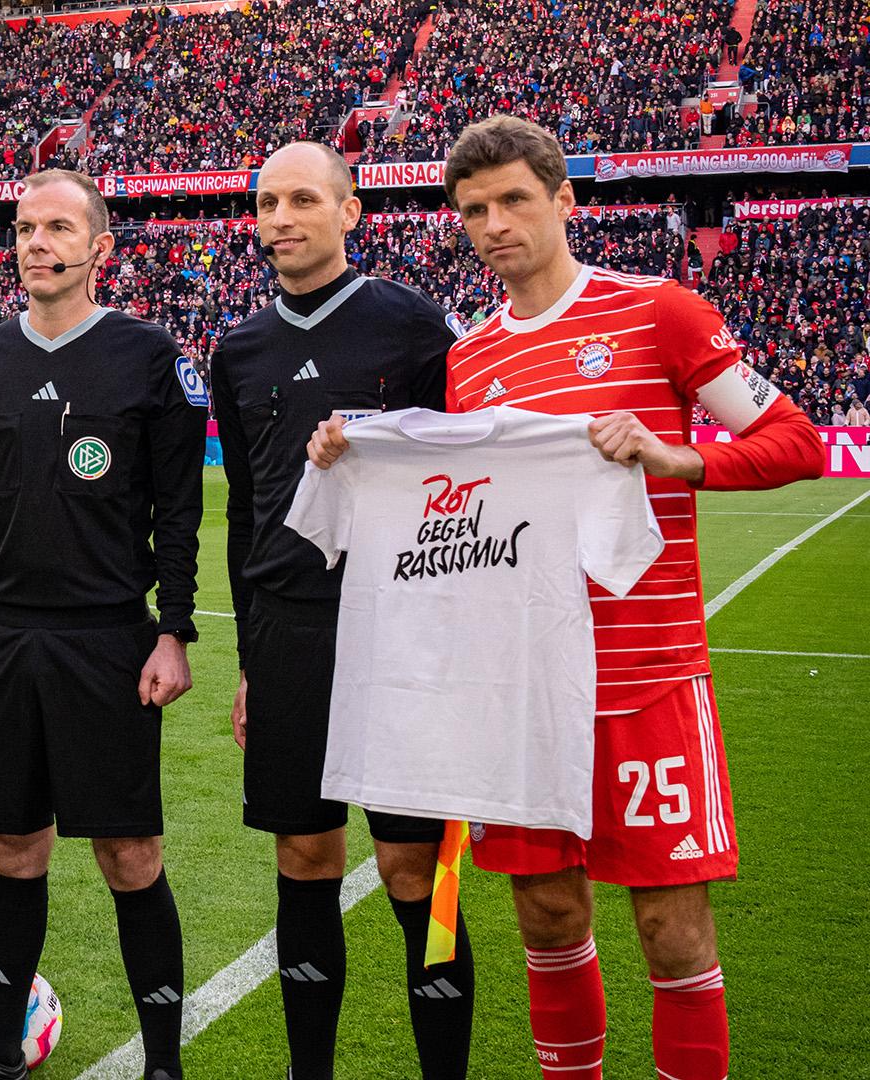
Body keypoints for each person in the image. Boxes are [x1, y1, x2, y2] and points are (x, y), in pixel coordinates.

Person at [309, 116, 823, 1080]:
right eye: (473, 210)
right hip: (529, 691)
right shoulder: (474, 361)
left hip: (648, 682)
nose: (494, 223)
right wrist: (350, 457)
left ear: (565, 200)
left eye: (513, 200)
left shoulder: (661, 311)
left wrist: (677, 456)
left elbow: (794, 441)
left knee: (672, 927)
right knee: (546, 915)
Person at [212, 141, 474, 1080]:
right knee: (306, 854)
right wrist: (248, 655)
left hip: (398, 621)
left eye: (301, 200)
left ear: (350, 210)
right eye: (266, 202)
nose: (279, 218)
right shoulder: (237, 347)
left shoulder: (411, 327)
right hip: (287, 629)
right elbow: (244, 510)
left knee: (413, 872)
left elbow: (461, 481)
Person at [0, 170, 205, 1080]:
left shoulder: (146, 354)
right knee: (13, 848)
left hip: (107, 637)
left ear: (101, 248)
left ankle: (164, 1060)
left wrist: (173, 629)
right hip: (8, 638)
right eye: (22, 228)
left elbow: (177, 511)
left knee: (129, 853)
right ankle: (2, 1050)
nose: (35, 243)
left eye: (57, 227)